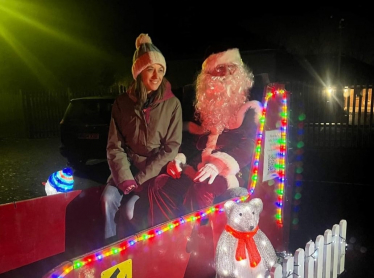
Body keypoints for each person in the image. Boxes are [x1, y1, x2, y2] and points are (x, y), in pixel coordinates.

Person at [131, 45, 263, 229]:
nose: (222, 78)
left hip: (232, 174)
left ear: (237, 76)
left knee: (202, 188)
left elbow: (249, 146)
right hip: (199, 170)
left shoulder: (249, 110)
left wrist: (217, 165)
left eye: (228, 71)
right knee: (160, 186)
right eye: (216, 72)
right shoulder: (207, 112)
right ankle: (165, 239)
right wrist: (179, 159)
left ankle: (196, 241)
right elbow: (193, 144)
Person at [101, 33, 183, 242]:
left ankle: (137, 252)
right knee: (107, 199)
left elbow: (171, 148)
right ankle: (109, 250)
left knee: (131, 210)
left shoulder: (172, 104)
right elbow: (114, 146)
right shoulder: (122, 104)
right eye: (150, 69)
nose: (156, 75)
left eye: (161, 70)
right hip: (126, 170)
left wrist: (139, 179)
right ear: (138, 73)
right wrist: (125, 177)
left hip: (153, 173)